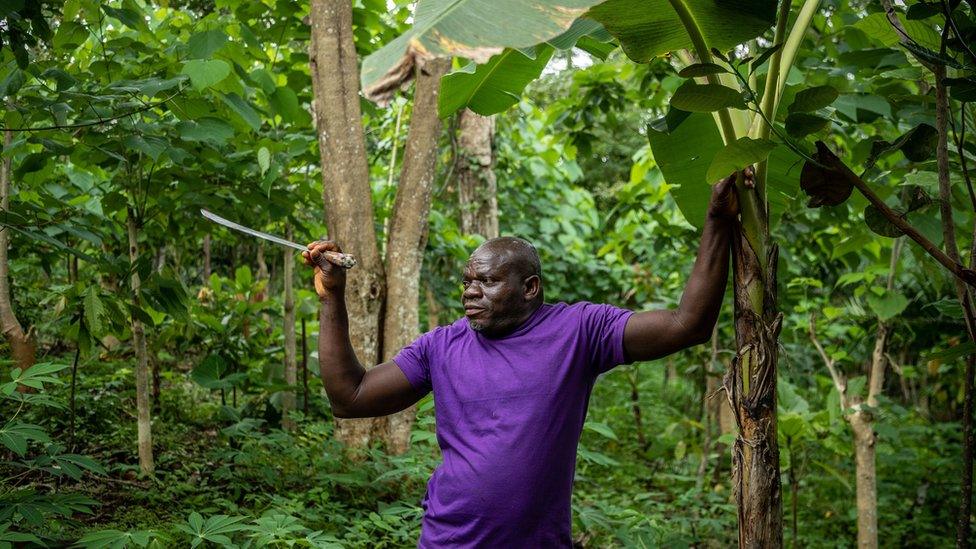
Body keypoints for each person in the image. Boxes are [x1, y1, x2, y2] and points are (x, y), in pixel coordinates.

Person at [302, 169, 751, 548]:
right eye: (467, 282)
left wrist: (716, 222)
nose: (470, 292)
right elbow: (351, 397)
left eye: (487, 281)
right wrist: (331, 299)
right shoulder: (440, 346)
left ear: (529, 288)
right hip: (448, 541)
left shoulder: (579, 330)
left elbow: (686, 324)